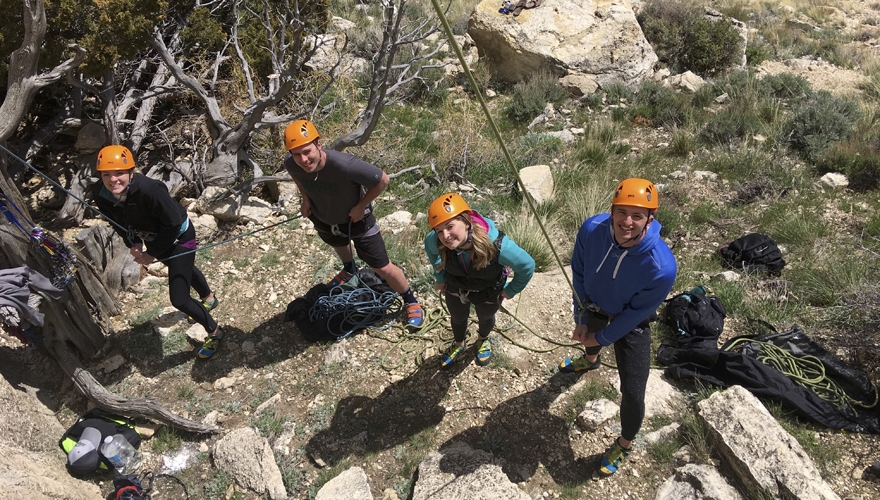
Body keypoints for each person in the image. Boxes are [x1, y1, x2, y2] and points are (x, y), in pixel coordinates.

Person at [558, 178, 676, 477]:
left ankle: (624, 442)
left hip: (631, 319)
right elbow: (580, 271)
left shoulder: (661, 267)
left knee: (634, 392)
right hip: (595, 302)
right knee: (588, 340)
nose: (627, 221)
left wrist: (604, 335)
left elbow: (636, 313)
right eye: (622, 212)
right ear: (611, 210)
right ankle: (590, 360)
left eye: (637, 215)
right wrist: (581, 318)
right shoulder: (592, 230)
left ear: (651, 218)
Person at [283, 120, 424, 327]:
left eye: (307, 151)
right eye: (297, 154)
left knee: (382, 267)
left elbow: (382, 180)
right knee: (338, 243)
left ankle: (411, 300)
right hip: (324, 216)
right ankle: (349, 268)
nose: (303, 159)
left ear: (318, 144)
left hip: (357, 220)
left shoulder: (343, 164)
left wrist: (361, 205)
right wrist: (305, 198)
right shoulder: (291, 163)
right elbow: (296, 175)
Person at [93, 145, 222, 359]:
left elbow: (172, 224)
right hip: (152, 236)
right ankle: (208, 298)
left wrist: (151, 253)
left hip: (180, 235)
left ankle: (215, 333)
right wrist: (133, 242)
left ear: (131, 173)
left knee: (179, 299)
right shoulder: (100, 193)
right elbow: (117, 221)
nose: (113, 179)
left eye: (119, 173)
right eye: (106, 174)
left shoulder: (149, 190)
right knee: (179, 266)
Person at [425, 193, 535, 368]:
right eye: (439, 230)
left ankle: (482, 339)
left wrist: (510, 290)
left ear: (467, 222)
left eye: (450, 226)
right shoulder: (436, 240)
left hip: (489, 289)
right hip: (456, 285)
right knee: (458, 317)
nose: (445, 236)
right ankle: (459, 344)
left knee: (486, 317)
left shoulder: (497, 245)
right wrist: (440, 277)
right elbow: (430, 248)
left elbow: (527, 265)